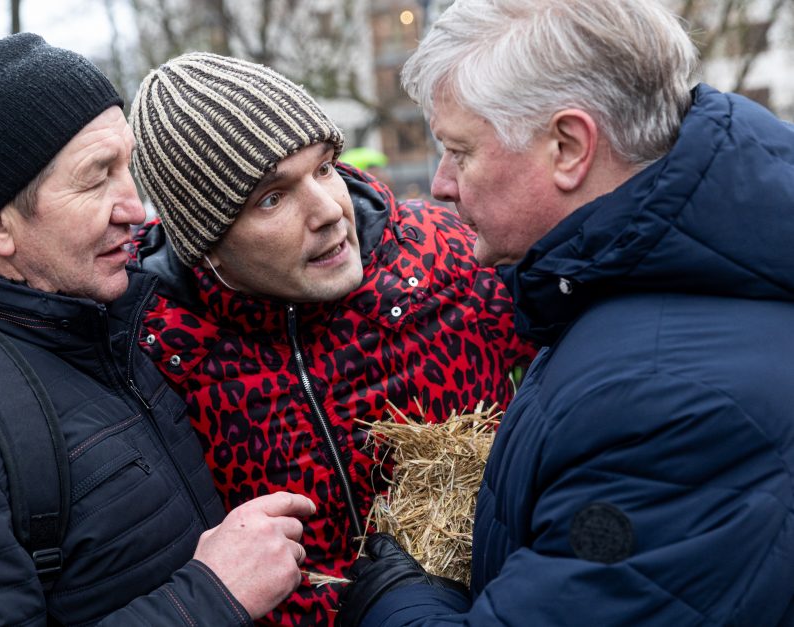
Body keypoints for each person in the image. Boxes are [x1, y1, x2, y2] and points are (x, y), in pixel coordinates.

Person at [336, 0, 794, 625]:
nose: (442, 183)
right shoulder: (644, 290)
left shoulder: (662, 402)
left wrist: (396, 601)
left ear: (568, 146)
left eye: (460, 150)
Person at [0, 33, 316, 625]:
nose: (136, 208)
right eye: (97, 177)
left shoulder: (113, 324)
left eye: (128, 167)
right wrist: (211, 596)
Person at [129, 52, 537, 626]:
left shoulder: (453, 257)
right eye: (272, 197)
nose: (328, 210)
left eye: (323, 168)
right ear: (207, 244)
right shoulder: (151, 352)